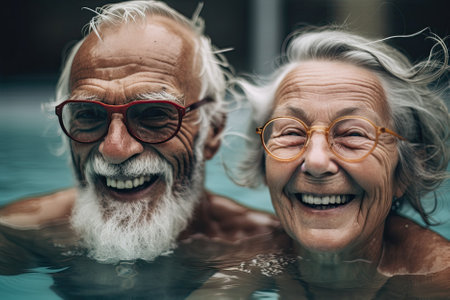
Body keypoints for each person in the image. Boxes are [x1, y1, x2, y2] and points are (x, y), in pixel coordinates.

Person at [0, 1, 278, 297]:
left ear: (212, 131)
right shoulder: (20, 233)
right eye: (89, 115)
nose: (115, 149)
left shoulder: (267, 247)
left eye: (154, 114)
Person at [191, 28, 450, 299]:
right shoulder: (250, 260)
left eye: (352, 134)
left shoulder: (437, 278)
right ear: (264, 163)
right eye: (291, 133)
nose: (315, 162)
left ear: (405, 171)